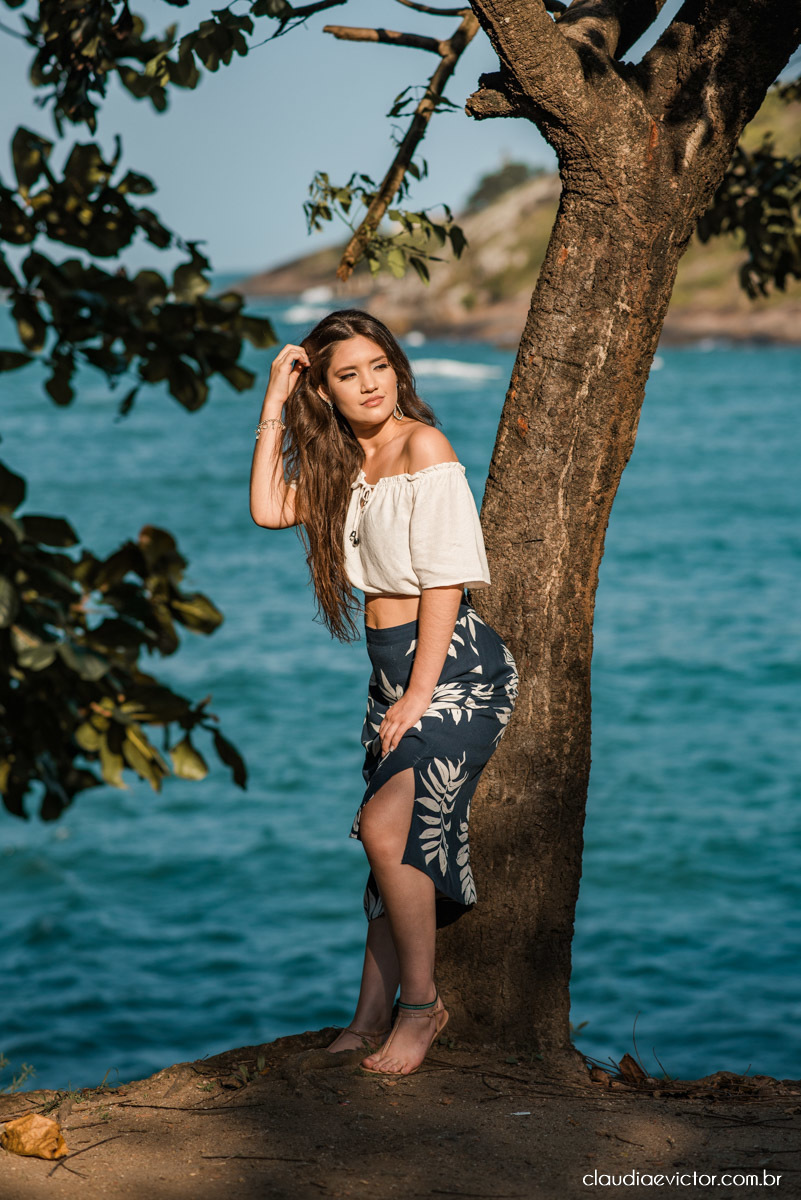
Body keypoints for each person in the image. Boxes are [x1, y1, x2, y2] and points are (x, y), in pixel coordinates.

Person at [249, 308, 518, 1076]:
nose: (368, 385)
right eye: (346, 375)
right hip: (392, 675)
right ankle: (367, 1017)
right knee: (388, 852)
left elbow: (445, 581)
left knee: (380, 826)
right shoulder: (342, 466)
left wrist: (416, 696)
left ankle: (420, 1007)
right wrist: (275, 399)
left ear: (398, 368)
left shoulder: (422, 447)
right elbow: (269, 508)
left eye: (377, 367)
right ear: (324, 392)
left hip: (456, 672)